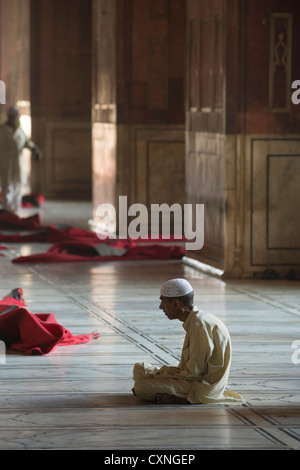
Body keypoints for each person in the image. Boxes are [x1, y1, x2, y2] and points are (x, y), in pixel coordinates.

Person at [132, 278, 245, 405]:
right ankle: (164, 389)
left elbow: (195, 373)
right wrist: (160, 374)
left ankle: (184, 397)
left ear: (176, 303)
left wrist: (158, 377)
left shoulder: (199, 324)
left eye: (163, 301)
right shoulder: (197, 319)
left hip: (202, 386)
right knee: (139, 368)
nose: (161, 307)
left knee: (142, 386)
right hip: (192, 377)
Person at [0, 106, 41, 212]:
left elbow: (28, 143)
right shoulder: (2, 130)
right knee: (7, 187)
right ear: (9, 116)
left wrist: (35, 151)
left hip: (18, 164)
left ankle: (15, 212)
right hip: (5, 164)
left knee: (17, 187)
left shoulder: (20, 131)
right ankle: (6, 212)